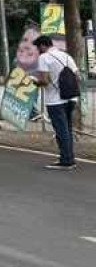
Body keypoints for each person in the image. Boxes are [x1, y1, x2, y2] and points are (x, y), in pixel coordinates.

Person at [34, 34, 80, 169]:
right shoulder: (66, 56)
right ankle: (68, 157)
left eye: (38, 47)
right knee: (67, 129)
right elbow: (78, 76)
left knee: (61, 130)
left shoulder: (44, 58)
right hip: (71, 98)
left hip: (55, 101)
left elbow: (44, 80)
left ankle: (66, 161)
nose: (38, 50)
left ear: (43, 46)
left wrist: (35, 82)